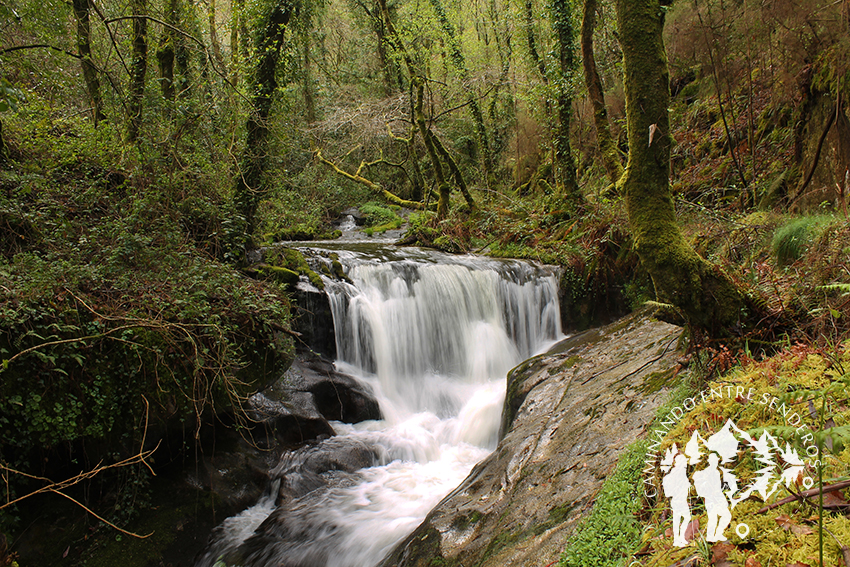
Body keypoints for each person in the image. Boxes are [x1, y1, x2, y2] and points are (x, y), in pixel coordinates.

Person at [693, 452, 732, 542]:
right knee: (713, 517)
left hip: (718, 497)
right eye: (712, 461)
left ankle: (718, 534)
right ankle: (710, 537)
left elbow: (717, 487)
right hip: (710, 499)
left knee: (726, 515)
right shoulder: (706, 473)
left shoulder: (716, 472)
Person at [662, 453, 692, 546]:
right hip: (678, 500)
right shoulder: (677, 472)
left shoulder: (679, 472)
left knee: (679, 519)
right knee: (682, 518)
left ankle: (679, 539)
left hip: (679, 499)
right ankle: (679, 539)